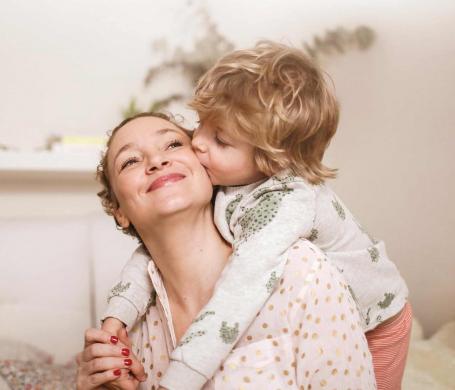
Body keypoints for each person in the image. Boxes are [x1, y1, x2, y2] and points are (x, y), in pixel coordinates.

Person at [101, 42, 411, 389]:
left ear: (270, 161)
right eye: (200, 125)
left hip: (381, 321)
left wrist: (177, 380)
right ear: (119, 211)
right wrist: (117, 314)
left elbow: (239, 291)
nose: (198, 143)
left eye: (219, 139)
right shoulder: (228, 178)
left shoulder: (285, 213)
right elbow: (150, 254)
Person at [76, 112, 376, 389]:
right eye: (130, 161)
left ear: (207, 169)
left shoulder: (301, 271)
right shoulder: (128, 335)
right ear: (119, 211)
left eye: (172, 144)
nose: (156, 161)